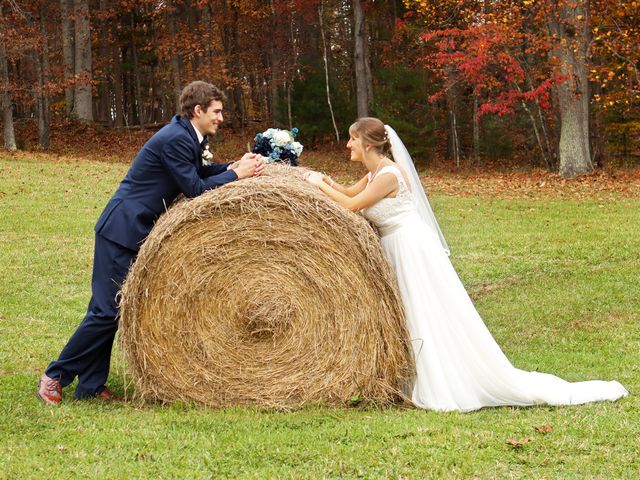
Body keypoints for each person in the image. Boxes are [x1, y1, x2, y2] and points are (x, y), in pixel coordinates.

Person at [304, 117, 628, 411]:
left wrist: (318, 185)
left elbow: (352, 204)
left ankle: (440, 382)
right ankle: (412, 375)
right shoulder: (375, 172)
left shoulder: (388, 175)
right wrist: (322, 181)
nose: (347, 145)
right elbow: (346, 191)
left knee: (423, 310)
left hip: (409, 246)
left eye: (351, 139)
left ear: (368, 144)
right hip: (396, 245)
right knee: (410, 312)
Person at [38, 81, 264, 405]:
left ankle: (90, 385)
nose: (221, 118)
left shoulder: (185, 135)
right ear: (198, 111)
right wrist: (238, 175)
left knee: (110, 310)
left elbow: (197, 172)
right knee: (106, 311)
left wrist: (231, 167)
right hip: (122, 230)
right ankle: (55, 375)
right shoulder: (175, 138)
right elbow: (195, 188)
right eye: (217, 111)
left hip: (131, 230)